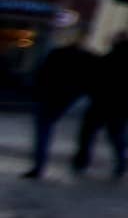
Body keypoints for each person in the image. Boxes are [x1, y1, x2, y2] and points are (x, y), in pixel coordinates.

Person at [74, 31, 128, 177]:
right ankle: (120, 161)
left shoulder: (119, 57)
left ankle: (83, 161)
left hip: (105, 100)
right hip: (118, 102)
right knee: (115, 134)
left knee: (91, 132)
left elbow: (100, 72)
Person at [21, 31, 96, 179]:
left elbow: (43, 74)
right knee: (46, 127)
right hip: (65, 98)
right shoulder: (87, 58)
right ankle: (43, 164)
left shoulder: (58, 53)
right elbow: (89, 80)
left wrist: (38, 91)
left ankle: (39, 165)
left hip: (51, 95)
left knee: (43, 129)